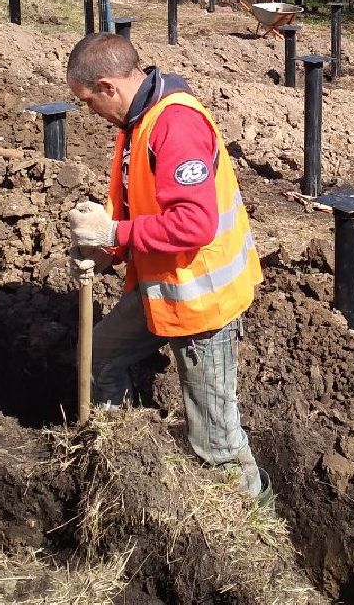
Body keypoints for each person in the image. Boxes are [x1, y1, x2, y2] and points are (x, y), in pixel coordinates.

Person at [65, 33, 269, 499]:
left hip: (201, 304)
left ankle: (250, 518)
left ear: (107, 86)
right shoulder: (138, 122)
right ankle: (124, 461)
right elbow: (143, 209)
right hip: (161, 290)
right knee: (100, 357)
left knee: (216, 444)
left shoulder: (174, 127)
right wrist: (105, 247)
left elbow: (194, 224)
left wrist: (114, 235)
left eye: (87, 102)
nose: (89, 113)